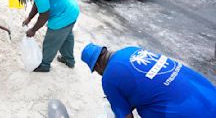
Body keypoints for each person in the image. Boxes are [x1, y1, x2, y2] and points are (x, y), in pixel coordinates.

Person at [81, 43, 216, 118]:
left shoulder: (108, 79)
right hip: (206, 94)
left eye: (96, 71)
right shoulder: (131, 50)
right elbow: (146, 82)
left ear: (97, 66)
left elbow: (126, 116)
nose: (99, 74)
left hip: (182, 113)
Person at [17, 0, 80, 72]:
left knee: (50, 41)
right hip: (72, 10)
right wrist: (29, 17)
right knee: (66, 37)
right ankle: (69, 60)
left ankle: (45, 65)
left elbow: (44, 16)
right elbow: (38, 3)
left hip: (62, 16)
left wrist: (33, 30)